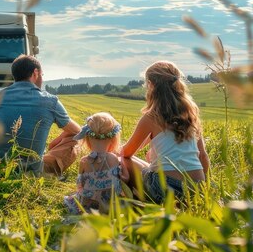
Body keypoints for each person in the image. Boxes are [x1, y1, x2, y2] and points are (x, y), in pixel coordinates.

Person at [0, 55, 81, 176]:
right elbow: (78, 132)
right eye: (42, 75)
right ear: (35, 73)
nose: (42, 78)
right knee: (75, 140)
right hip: (31, 173)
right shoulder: (50, 101)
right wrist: (54, 144)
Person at [121, 61, 210, 204]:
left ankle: (136, 200)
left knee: (124, 160)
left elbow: (126, 153)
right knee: (149, 165)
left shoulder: (152, 116)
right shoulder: (191, 112)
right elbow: (203, 156)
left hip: (167, 190)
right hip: (196, 188)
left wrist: (114, 152)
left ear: (150, 85)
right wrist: (205, 188)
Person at [64, 112, 129, 214]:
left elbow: (80, 185)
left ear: (87, 139)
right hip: (110, 206)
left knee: (74, 197)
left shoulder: (84, 161)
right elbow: (125, 178)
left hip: (89, 207)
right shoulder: (114, 159)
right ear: (113, 139)